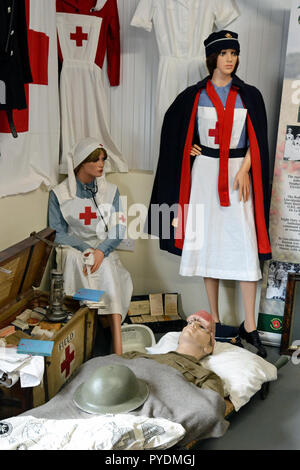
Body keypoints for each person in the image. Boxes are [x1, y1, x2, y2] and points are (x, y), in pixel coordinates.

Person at [146, 31, 271, 358]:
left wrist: (245, 168)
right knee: (208, 247)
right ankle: (213, 319)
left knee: (246, 249)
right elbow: (174, 135)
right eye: (224, 53)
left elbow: (258, 140)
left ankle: (250, 325)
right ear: (212, 57)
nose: (230, 59)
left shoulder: (250, 96)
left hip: (237, 177)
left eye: (234, 53)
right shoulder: (193, 96)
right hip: (203, 175)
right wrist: (185, 149)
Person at [48, 137, 133, 355]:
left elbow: (118, 228)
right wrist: (85, 248)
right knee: (80, 263)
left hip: (102, 247)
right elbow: (57, 231)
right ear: (80, 162)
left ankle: (117, 345)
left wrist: (100, 251)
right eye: (95, 160)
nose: (101, 164)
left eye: (103, 159)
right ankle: (85, 338)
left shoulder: (111, 191)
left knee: (107, 272)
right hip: (74, 247)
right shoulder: (59, 194)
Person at [123, 310, 224, 398]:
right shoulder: (141, 356)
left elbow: (210, 408)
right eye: (190, 322)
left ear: (209, 347)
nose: (193, 325)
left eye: (202, 327)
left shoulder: (205, 376)